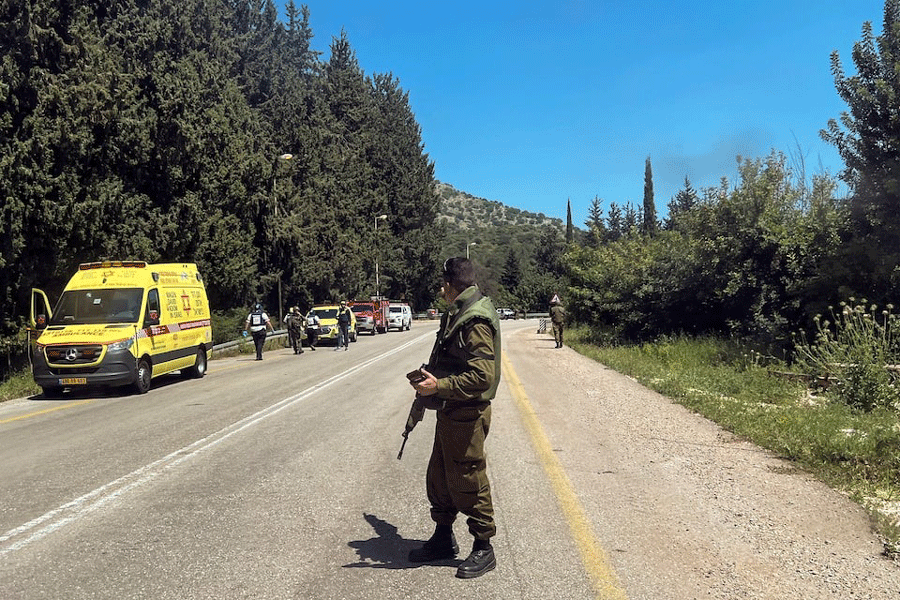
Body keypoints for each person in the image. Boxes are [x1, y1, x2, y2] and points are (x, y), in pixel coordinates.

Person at [406, 256, 501, 579]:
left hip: (467, 413)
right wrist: (432, 378)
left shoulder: (475, 318)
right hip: (451, 409)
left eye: (442, 283)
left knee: (468, 478)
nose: (439, 289)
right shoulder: (459, 311)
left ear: (449, 284)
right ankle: (443, 538)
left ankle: (483, 546)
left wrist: (440, 385)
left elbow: (483, 377)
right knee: (440, 476)